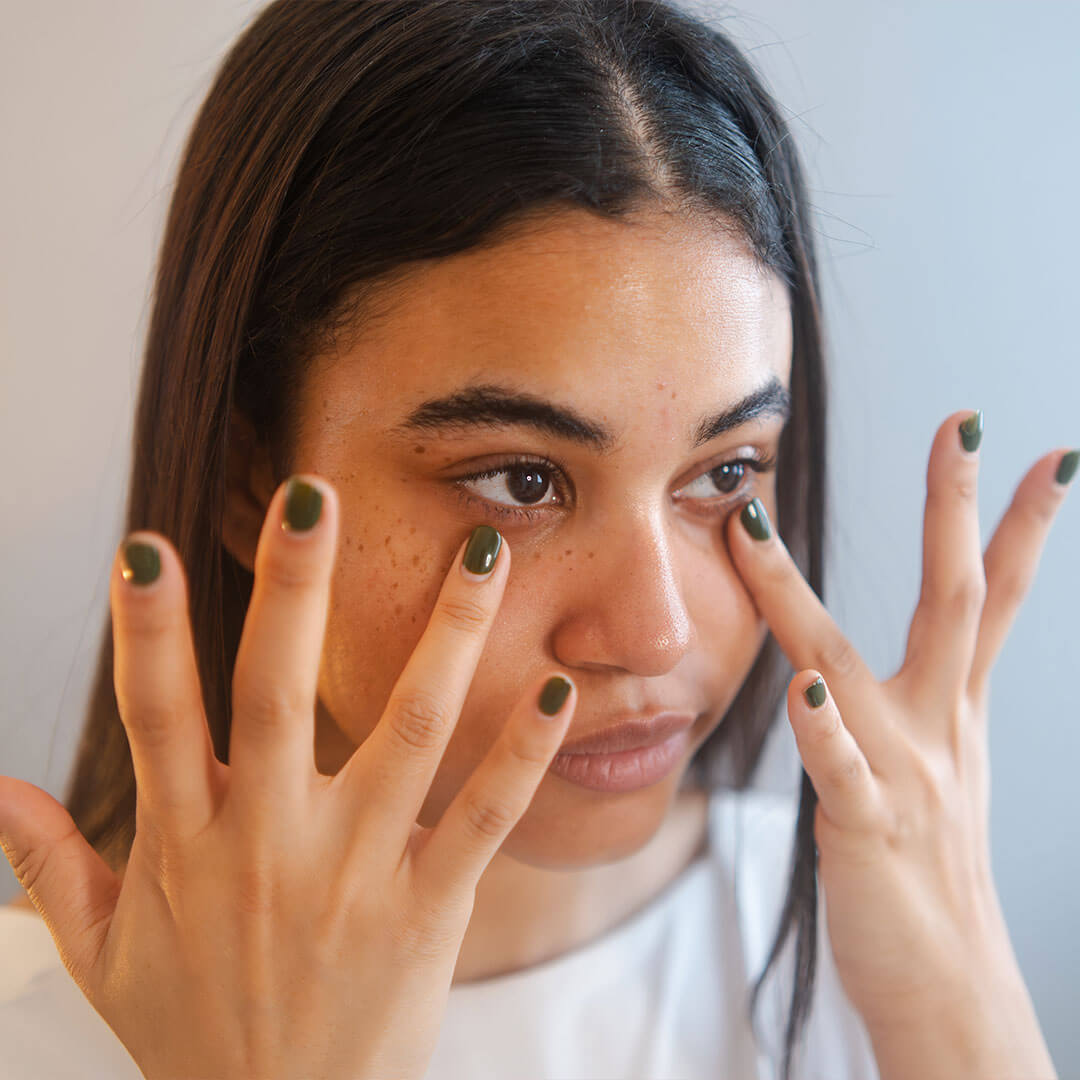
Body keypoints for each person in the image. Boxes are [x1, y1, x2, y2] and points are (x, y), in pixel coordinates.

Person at [0, 1, 1070, 1077]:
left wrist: (961, 1002)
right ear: (250, 481)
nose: (654, 636)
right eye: (522, 480)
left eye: (726, 472)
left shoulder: (873, 940)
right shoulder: (34, 1025)